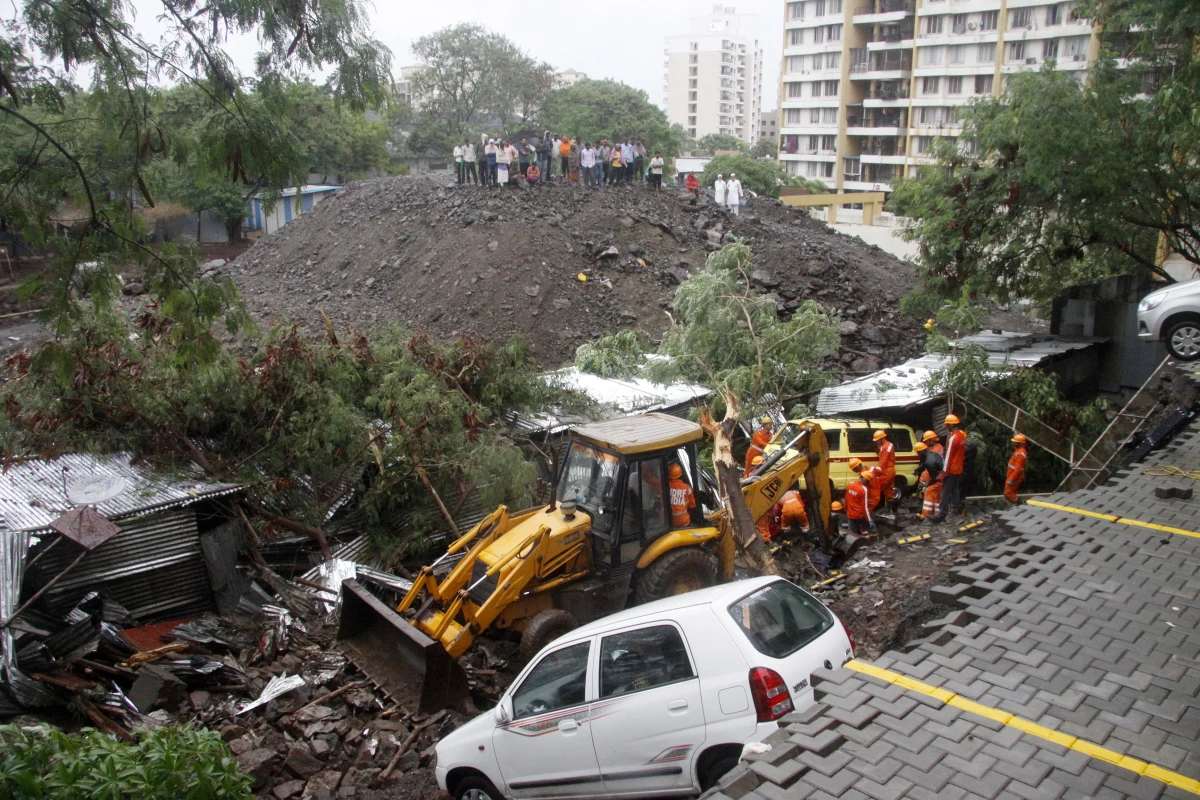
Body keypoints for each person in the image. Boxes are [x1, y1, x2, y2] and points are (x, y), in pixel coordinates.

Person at [929, 414, 968, 522]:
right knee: (955, 490)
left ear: (951, 425)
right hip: (958, 469)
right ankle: (955, 510)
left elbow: (949, 456)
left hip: (951, 469)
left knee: (945, 491)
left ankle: (941, 514)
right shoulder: (962, 436)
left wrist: (943, 472)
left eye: (947, 425)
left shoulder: (953, 438)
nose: (946, 427)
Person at [914, 442, 943, 520]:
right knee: (936, 495)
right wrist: (918, 469)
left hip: (941, 479)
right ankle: (937, 514)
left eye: (917, 452)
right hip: (944, 478)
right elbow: (924, 464)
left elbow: (934, 476)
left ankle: (925, 515)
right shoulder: (929, 454)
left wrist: (929, 484)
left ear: (920, 452)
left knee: (929, 490)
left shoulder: (929, 461)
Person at [845, 470, 877, 535]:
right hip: (860, 515)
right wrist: (869, 520)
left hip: (850, 515)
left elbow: (846, 499)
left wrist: (846, 511)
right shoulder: (863, 489)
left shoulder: (850, 484)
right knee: (872, 528)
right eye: (868, 481)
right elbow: (864, 507)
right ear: (865, 480)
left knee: (851, 534)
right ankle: (876, 541)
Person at [668, 463, 697, 527]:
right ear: (680, 475)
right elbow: (693, 505)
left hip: (671, 522)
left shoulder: (666, 487)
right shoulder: (687, 488)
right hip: (685, 522)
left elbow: (653, 481)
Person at [874, 430, 896, 511]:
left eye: (877, 440)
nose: (876, 442)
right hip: (891, 470)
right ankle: (891, 510)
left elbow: (883, 461)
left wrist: (876, 471)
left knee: (876, 488)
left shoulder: (885, 448)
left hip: (886, 471)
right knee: (889, 490)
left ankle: (873, 509)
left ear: (882, 439)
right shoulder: (889, 445)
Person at [1004, 434, 1028, 503]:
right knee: (1011, 492)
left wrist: (1012, 479)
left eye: (1015, 442)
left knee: (1008, 493)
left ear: (1019, 443)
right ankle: (1018, 504)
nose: (1013, 443)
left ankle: (1020, 504)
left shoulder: (1020, 454)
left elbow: (1018, 469)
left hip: (1014, 477)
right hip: (1012, 475)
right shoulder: (1018, 451)